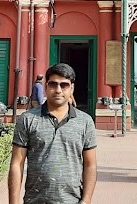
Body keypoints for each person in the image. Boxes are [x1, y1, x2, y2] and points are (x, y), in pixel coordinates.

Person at [9, 63, 97, 204]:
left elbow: (90, 165)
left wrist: (86, 201)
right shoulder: (28, 119)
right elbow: (16, 164)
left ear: (72, 88)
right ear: (46, 86)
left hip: (72, 200)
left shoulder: (85, 122)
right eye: (53, 84)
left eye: (64, 85)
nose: (58, 90)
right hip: (35, 200)